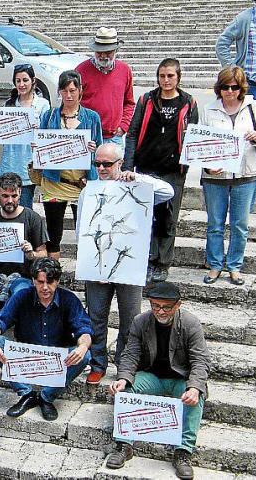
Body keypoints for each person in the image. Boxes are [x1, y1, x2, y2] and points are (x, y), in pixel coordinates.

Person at [80, 143, 174, 385]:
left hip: (129, 263)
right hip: (99, 262)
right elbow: (83, 229)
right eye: (97, 164)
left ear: (120, 163)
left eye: (107, 164)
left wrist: (138, 178)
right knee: (96, 317)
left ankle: (125, 365)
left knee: (130, 319)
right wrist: (92, 262)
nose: (101, 168)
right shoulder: (89, 191)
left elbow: (168, 191)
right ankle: (98, 363)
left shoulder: (136, 184)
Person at [106, 282, 211, 480]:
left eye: (166, 307)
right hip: (152, 375)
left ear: (178, 305)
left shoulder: (191, 323)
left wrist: (195, 388)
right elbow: (130, 354)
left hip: (180, 378)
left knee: (197, 394)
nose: (160, 311)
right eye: (155, 306)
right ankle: (124, 445)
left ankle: (183, 451)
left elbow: (200, 360)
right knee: (126, 390)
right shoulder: (141, 321)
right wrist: (123, 378)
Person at [0, 257, 93, 421]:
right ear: (33, 280)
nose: (45, 287)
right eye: (40, 282)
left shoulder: (69, 299)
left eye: (50, 282)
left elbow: (84, 330)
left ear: (57, 281)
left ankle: (46, 397)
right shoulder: (22, 296)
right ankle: (27, 393)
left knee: (85, 355)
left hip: (57, 359)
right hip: (27, 355)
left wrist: (83, 346)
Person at [123, 58, 199, 283]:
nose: (166, 80)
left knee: (168, 219)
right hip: (146, 167)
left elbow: (194, 138)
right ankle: (147, 259)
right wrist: (128, 166)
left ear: (178, 77)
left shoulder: (188, 102)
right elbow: (132, 133)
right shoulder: (146, 100)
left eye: (170, 76)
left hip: (173, 170)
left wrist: (188, 164)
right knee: (146, 217)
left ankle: (163, 262)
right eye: (162, 76)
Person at [200, 66, 256, 285]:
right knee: (215, 223)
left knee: (240, 224)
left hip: (246, 173)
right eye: (225, 87)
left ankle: (235, 266)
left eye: (234, 87)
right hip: (215, 176)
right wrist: (208, 167)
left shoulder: (254, 107)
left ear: (241, 88)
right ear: (219, 88)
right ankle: (215, 264)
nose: (229, 91)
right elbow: (200, 145)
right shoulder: (209, 109)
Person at [38, 70, 103, 260]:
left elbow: (100, 150)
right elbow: (41, 144)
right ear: (59, 91)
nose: (68, 95)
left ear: (80, 90)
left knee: (85, 232)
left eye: (73, 90)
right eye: (65, 91)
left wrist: (94, 149)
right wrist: (39, 147)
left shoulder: (92, 117)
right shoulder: (49, 116)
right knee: (53, 233)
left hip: (81, 184)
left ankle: (85, 269)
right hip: (54, 182)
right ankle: (53, 271)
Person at [0, 172, 49, 317]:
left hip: (23, 276)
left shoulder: (33, 218)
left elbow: (43, 253)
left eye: (14, 196)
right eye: (5, 196)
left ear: (20, 194)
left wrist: (31, 254)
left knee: (21, 295)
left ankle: (9, 320)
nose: (10, 200)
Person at [0, 64, 51, 209]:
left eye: (25, 80)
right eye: (18, 81)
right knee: (8, 207)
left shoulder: (43, 105)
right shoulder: (8, 105)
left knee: (25, 208)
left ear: (33, 81)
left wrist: (37, 131)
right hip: (9, 162)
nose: (22, 84)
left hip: (28, 164)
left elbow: (47, 134)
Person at [75, 27, 135, 145]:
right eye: (99, 52)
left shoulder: (125, 70)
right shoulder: (81, 70)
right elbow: (71, 103)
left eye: (108, 52)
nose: (103, 56)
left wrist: (123, 126)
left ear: (115, 51)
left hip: (114, 137)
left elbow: (129, 103)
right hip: (88, 136)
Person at [215, 0, 256, 105]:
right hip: (249, 81)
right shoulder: (244, 19)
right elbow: (222, 43)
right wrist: (231, 69)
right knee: (249, 115)